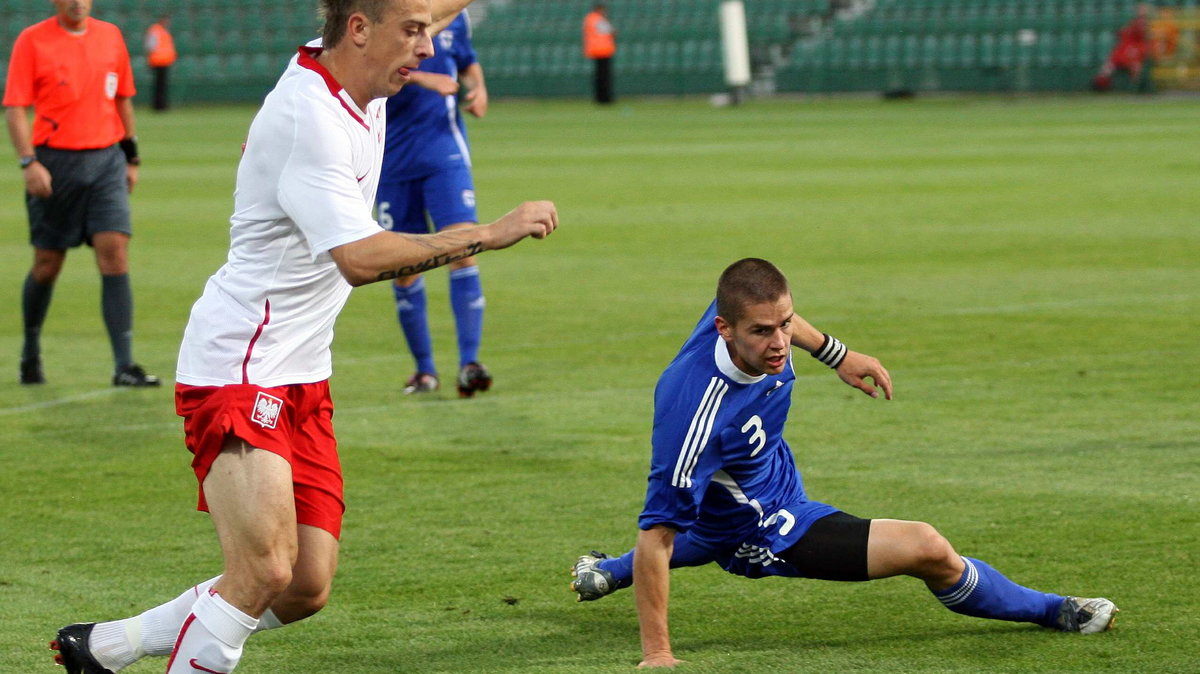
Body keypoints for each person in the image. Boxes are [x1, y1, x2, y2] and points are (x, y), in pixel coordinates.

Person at [49, 1, 557, 672]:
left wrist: (421, 16)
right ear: (358, 30)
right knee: (262, 571)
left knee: (306, 584)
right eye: (413, 36)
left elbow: (417, 6)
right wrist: (486, 234)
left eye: (425, 33)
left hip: (300, 374)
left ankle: (108, 647)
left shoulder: (361, 64)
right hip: (239, 365)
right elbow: (360, 258)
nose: (428, 50)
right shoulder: (309, 117)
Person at [569, 258, 1118, 668]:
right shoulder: (693, 415)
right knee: (927, 547)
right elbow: (659, 533)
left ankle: (604, 571)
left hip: (767, 481)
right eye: (762, 332)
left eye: (784, 323)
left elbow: (782, 319)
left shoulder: (747, 319)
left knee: (710, 522)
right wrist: (658, 654)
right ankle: (1053, 609)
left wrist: (836, 353)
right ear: (725, 329)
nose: (780, 341)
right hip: (767, 530)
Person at [4, 0, 159, 387]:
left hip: (106, 160)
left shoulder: (110, 36)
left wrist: (131, 156)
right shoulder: (33, 41)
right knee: (47, 263)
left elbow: (122, 98)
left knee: (115, 251)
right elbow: (15, 108)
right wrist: (29, 162)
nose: (78, 1)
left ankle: (124, 365)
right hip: (55, 164)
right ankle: (30, 351)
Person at [377, 10, 493, 397]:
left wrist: (477, 88)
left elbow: (467, 60)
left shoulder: (452, 15)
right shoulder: (382, 12)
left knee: (464, 246)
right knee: (404, 266)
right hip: (391, 155)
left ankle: (469, 363)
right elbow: (367, 67)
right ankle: (425, 371)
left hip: (444, 151)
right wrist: (425, 78)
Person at [1092, 3, 1154, 92]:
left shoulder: (1144, 23)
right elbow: (1123, 33)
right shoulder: (1134, 23)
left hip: (1135, 50)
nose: (1141, 12)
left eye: (1143, 10)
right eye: (1140, 10)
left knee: (1135, 67)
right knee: (1107, 67)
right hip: (1123, 51)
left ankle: (1135, 89)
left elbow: (1143, 35)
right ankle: (1100, 86)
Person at [582, 3, 616, 104]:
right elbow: (611, 31)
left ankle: (600, 98)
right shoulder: (598, 19)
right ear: (599, 9)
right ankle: (604, 98)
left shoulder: (589, 18)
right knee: (604, 77)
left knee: (599, 76)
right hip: (603, 50)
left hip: (595, 50)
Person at [144, 14, 177, 112]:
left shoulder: (162, 31)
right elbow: (150, 46)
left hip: (164, 61)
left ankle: (162, 105)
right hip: (158, 61)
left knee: (162, 85)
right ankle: (158, 106)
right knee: (159, 86)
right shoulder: (155, 30)